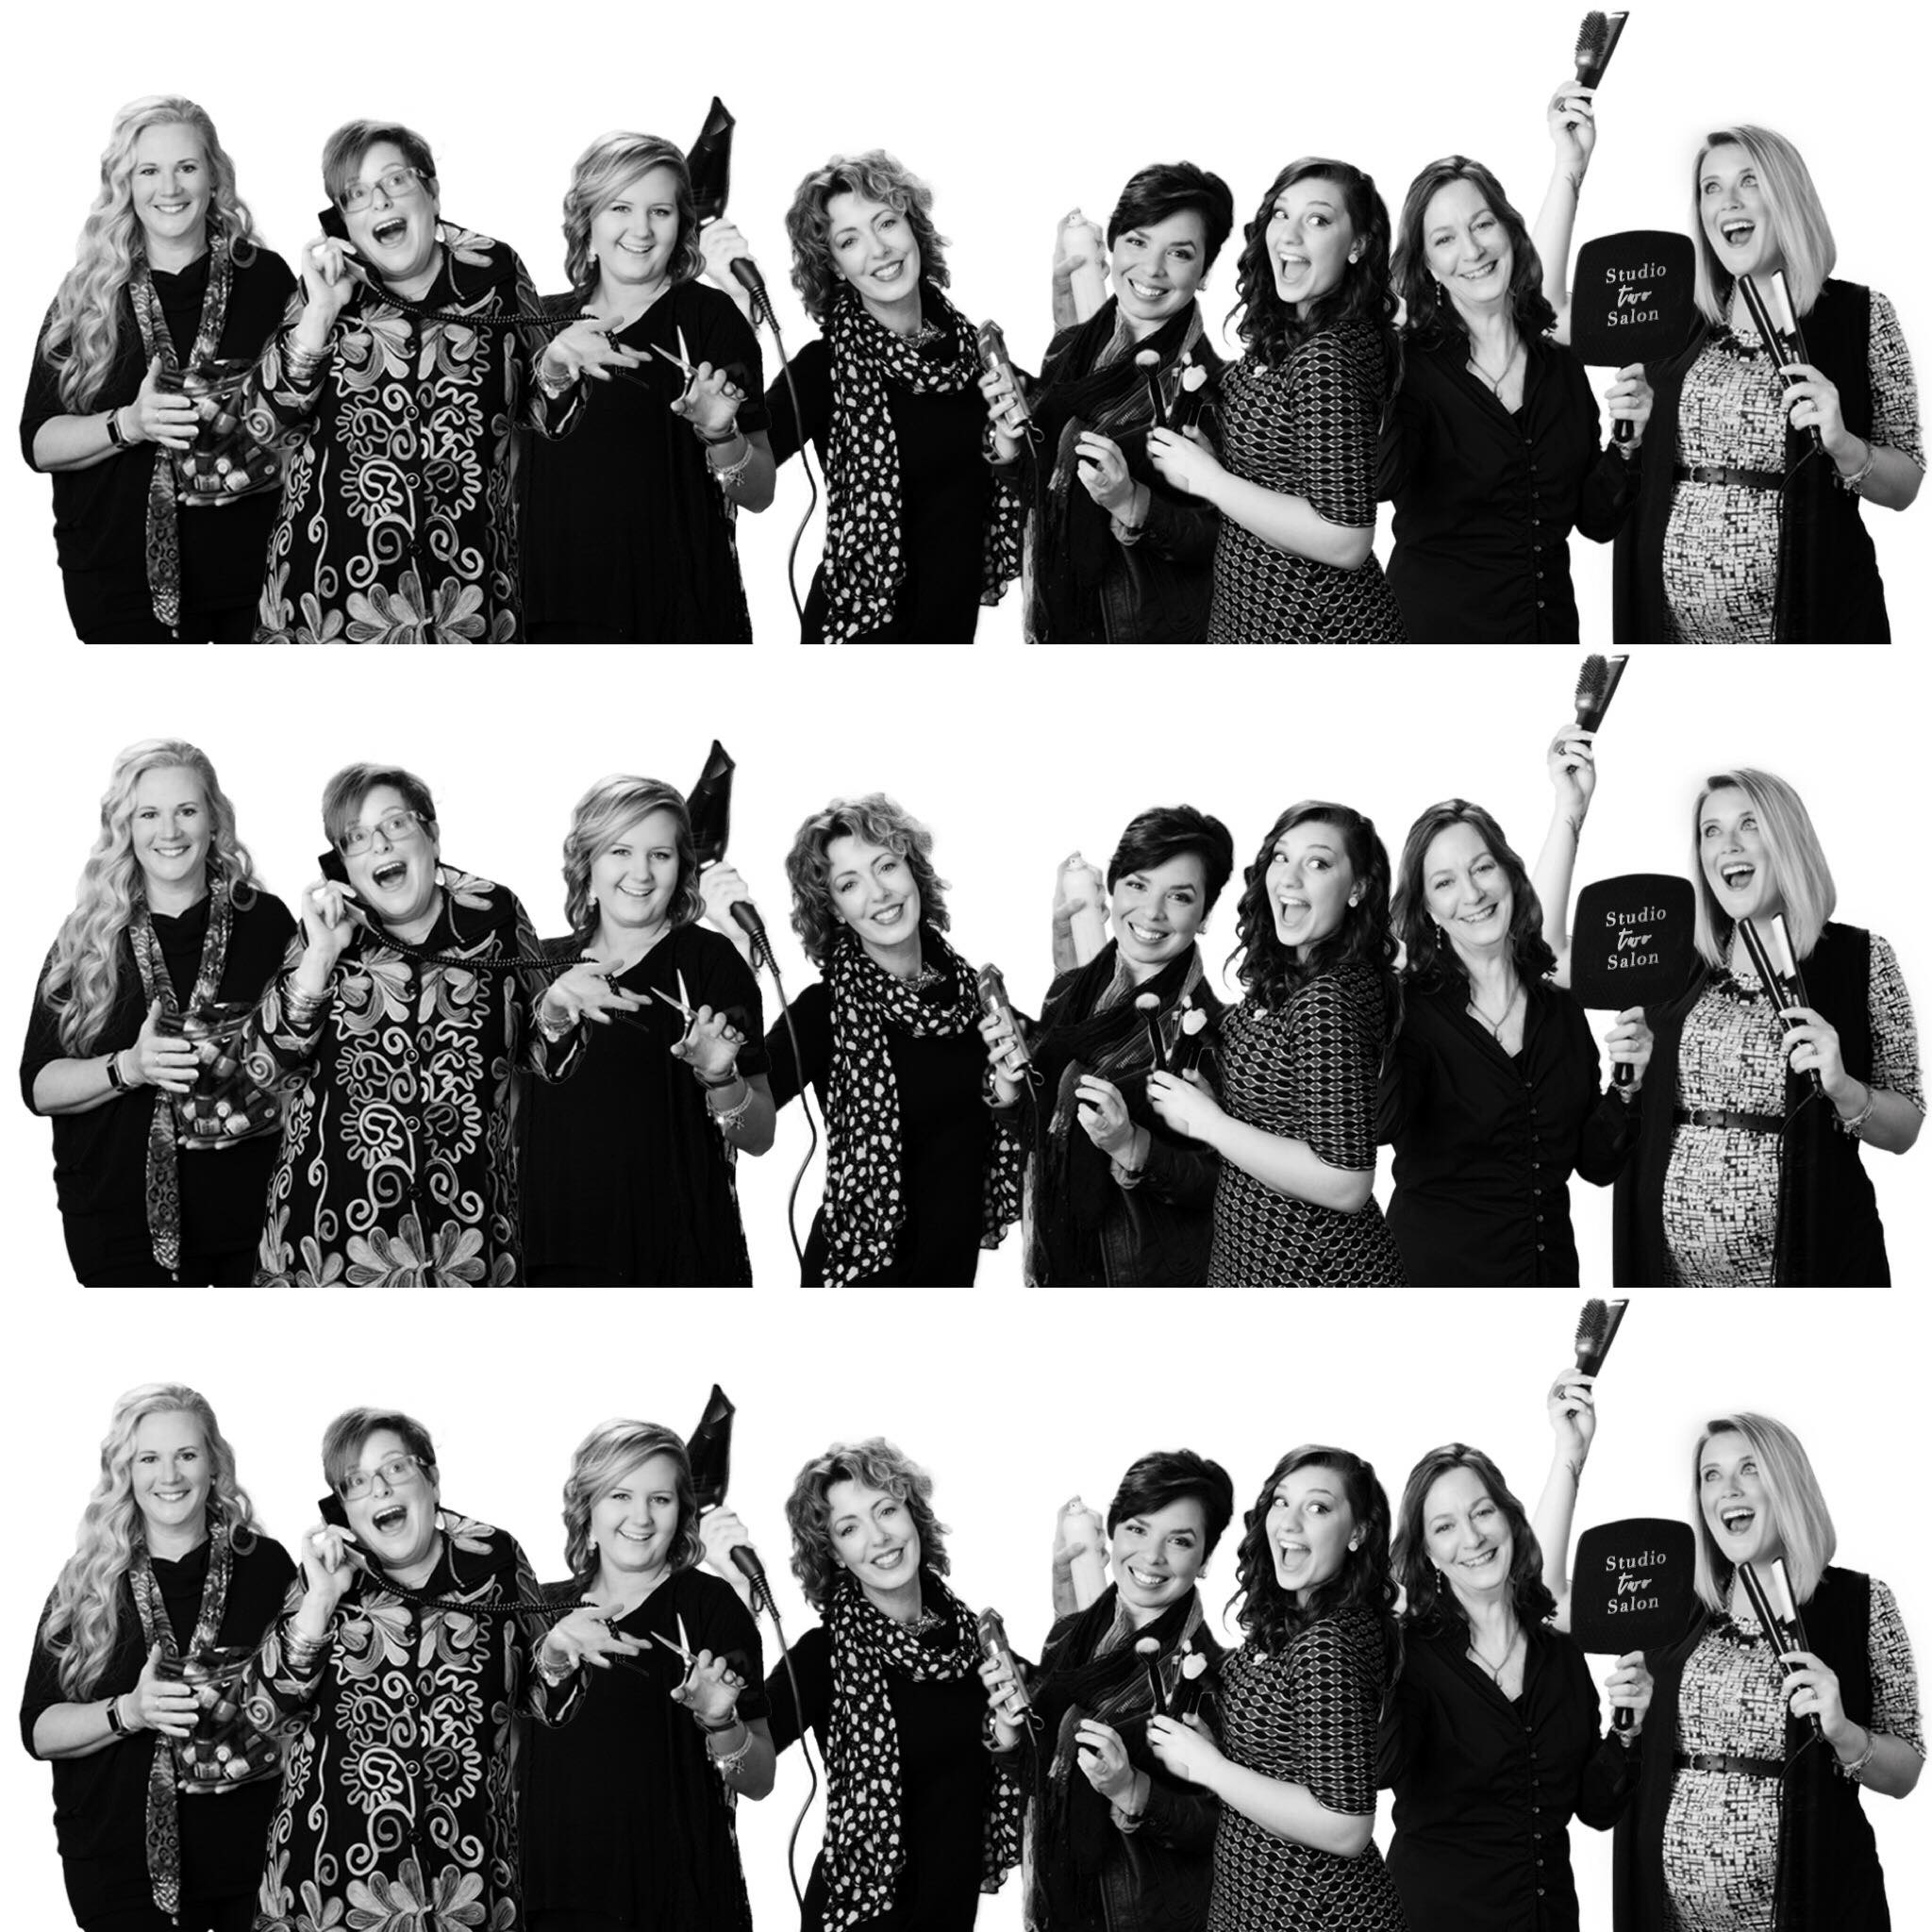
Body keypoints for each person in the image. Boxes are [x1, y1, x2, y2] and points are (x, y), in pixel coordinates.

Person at [247, 1407, 632, 1932]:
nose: (380, 1488)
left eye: (395, 1468)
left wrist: (559, 1651)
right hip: (328, 1892)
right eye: (356, 1481)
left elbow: (548, 1705)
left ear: (431, 1479)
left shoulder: (494, 1559)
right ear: (343, 1509)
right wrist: (318, 1603)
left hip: (468, 1887)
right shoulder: (326, 1576)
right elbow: (265, 1712)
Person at [248, 118, 627, 644]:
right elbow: (266, 426)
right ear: (342, 221)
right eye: (356, 193)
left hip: (468, 596)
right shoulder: (325, 288)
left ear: (431, 191)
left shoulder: (494, 271)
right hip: (328, 602)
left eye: (395, 180)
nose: (380, 200)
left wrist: (558, 364)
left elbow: (547, 417)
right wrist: (319, 315)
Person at [248, 761, 625, 1286]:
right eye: (356, 837)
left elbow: (548, 1060)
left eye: (395, 823)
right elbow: (267, 1069)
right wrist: (319, 957)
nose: (380, 844)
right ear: (342, 865)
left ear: (431, 835)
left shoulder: (494, 914)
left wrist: (558, 1008)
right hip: (329, 1247)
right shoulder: (325, 931)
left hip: (469, 1241)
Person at [1600, 768, 1922, 1284]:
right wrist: (1570, 813)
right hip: (1674, 1280)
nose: (1727, 844)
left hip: (1809, 1272)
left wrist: (1844, 1089)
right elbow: (1551, 957)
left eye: (1749, 824)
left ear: (1787, 840)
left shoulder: (1861, 958)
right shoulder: (1677, 961)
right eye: (1711, 830)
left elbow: (1905, 1129)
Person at [1603, 1412, 1923, 1929]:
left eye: (1749, 1469)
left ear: (1787, 1485)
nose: (1727, 1489)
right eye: (1711, 1475)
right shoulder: (1677, 1605)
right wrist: (1570, 1456)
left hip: (1813, 1908)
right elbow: (1552, 1601)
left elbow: (1905, 1773)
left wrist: (1843, 1732)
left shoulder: (1861, 1603)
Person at [1606, 125, 1923, 641]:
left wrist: (1843, 445)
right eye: (1711, 187)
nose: (1727, 201)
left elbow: (1905, 486)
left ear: (1787, 197)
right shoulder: (1676, 318)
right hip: (1674, 637)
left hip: (1810, 627)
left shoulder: (1861, 315)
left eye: (1748, 181)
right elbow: (1552, 313)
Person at [705, 1439, 1022, 1930]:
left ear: (913, 1515)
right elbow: (740, 1754)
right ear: (832, 1552)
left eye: (887, 1511)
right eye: (849, 1528)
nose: (878, 1538)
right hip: (856, 1919)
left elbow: (1056, 1724)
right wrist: (738, 1600)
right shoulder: (822, 1655)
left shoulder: (973, 1643)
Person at [706, 151, 1022, 641]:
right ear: (833, 265)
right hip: (856, 634)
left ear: (913, 228)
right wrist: (737, 312)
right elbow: (742, 472)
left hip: (952, 633)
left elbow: (1054, 440)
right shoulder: (823, 367)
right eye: (849, 240)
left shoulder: (974, 355)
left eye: (886, 223)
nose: (879, 250)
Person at [22, 1384, 295, 1932]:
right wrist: (131, 1711)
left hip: (258, 1865)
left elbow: (306, 1695)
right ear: (126, 1472)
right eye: (149, 1458)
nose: (169, 1476)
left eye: (186, 1455)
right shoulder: (89, 1583)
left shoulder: (265, 1566)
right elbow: (39, 1730)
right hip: (118, 1873)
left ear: (214, 1466)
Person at [718, 794, 1022, 1284]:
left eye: (886, 866)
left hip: (952, 1274)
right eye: (849, 883)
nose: (879, 893)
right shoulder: (823, 1010)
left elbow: (1046, 1096)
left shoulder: (974, 997)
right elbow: (749, 1112)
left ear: (913, 871)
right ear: (835, 909)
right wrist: (735, 963)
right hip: (858, 1275)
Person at [23, 740, 294, 1286]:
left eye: (186, 811)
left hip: (259, 1218)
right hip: (118, 1227)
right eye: (149, 814)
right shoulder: (89, 938)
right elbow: (39, 1086)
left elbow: (306, 1051)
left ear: (213, 821)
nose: (169, 832)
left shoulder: (265, 922)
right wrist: (131, 1066)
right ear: (126, 827)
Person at [23, 96, 294, 641]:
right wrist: (131, 423)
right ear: (125, 184)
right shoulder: (89, 295)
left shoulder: (265, 278)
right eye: (149, 171)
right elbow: (39, 443)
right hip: (118, 583)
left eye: (186, 167)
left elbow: (306, 409)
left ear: (213, 178)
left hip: (258, 575)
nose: (169, 188)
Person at [1378, 780, 1649, 1285]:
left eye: (1482, 868)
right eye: (1445, 882)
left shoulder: (1560, 1005)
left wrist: (1628, 1088)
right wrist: (1379, 990)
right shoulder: (1408, 1010)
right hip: (1435, 1287)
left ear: (1509, 873)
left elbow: (1595, 1165)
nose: (1473, 894)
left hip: (1548, 1283)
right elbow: (1378, 1126)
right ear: (1427, 908)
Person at [1378, 147, 1649, 641]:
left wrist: (1627, 445)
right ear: (1428, 266)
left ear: (1509, 230)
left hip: (1548, 641)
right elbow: (1376, 482)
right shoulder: (1408, 368)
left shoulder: (1560, 363)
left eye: (1482, 225)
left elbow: (1596, 521)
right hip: (1436, 647)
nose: (1472, 251)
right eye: (1445, 239)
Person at [1380, 1438, 1650, 1932]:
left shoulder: (1560, 1651)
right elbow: (1377, 1769)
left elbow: (1595, 1808)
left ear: (1509, 1517)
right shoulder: (1408, 1655)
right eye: (1445, 1527)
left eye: (1482, 1512)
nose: (1472, 1538)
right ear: (1428, 1554)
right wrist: (1376, 1638)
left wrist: (1628, 1733)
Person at [521, 1419, 774, 1932]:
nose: (640, 1517)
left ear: (681, 1513)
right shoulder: (538, 1612)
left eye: (659, 1499)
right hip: (550, 1902)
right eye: (620, 1495)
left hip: (677, 1905)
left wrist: (720, 1721)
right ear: (587, 1512)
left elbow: (760, 1780)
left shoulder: (711, 1607)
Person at [521, 774, 775, 1284]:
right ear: (587, 866)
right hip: (549, 1258)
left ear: (681, 868)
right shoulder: (538, 967)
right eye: (620, 851)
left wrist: (721, 1077)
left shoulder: (710, 962)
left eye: (659, 854)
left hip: (679, 1263)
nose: (640, 873)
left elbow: (760, 1136)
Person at [523, 131, 775, 641]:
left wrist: (720, 434)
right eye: (620, 208)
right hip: (550, 615)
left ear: (681, 225)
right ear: (587, 224)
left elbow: (760, 493)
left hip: (680, 619)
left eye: (659, 211)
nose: (641, 229)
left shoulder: (711, 318)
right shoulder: (538, 323)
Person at [1145, 1445, 1406, 1931]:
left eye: (1318, 1507)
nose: (1289, 1522)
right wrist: (1213, 1747)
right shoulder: (1298, 1617)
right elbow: (1293, 1755)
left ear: (1358, 1533)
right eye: (1282, 1501)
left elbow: (1346, 1826)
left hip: (1314, 1914)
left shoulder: (1327, 1643)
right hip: (1256, 1906)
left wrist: (1211, 1768)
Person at [1146, 158, 1403, 642]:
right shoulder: (1298, 330)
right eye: (1282, 214)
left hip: (1314, 628)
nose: (1289, 234)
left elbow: (1346, 539)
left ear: (1358, 245)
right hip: (1254, 617)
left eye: (1318, 219)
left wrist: (1210, 480)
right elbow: (1292, 467)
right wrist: (1213, 459)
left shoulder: (1327, 355)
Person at [1149, 802, 1404, 1285]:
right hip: (1253, 1259)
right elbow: (1292, 1112)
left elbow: (1345, 1182)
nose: (1288, 877)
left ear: (1358, 888)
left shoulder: (1327, 998)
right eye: (1281, 857)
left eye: (1318, 863)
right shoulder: (1298, 973)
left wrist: (1210, 1123)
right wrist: (1213, 1103)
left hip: (1314, 1271)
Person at [983, 1450, 1235, 1932]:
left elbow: (1223, 1827)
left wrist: (1131, 1790)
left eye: (1179, 1540)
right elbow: (1048, 1769)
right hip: (1055, 1909)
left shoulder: (1209, 1678)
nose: (1152, 1556)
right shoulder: (1074, 1635)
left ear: (1204, 1560)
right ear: (1112, 1534)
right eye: (1138, 1529)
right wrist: (1009, 1737)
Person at [982, 163, 1234, 641]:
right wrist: (1009, 447)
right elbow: (1046, 480)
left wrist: (1131, 502)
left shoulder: (1210, 391)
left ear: (1204, 272)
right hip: (1053, 619)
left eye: (1179, 253)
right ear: (1112, 246)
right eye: (1137, 241)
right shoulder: (1073, 347)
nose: (1152, 269)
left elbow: (1223, 539)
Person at [984, 806, 1234, 1284]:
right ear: (1112, 890)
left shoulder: (1209, 1034)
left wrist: (1131, 1145)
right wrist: (1009, 1090)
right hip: (1054, 1262)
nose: (1152, 912)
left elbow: (1222, 1183)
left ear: (1204, 916)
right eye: (1138, 885)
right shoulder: (1075, 990)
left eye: (1179, 896)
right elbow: (1045, 1125)